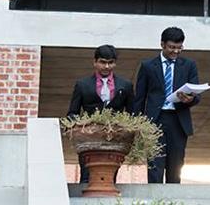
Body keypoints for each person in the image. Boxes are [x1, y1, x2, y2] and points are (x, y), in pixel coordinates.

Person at [133, 27, 200, 183]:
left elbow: (196, 95)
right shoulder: (148, 66)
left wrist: (190, 99)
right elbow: (140, 98)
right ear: (162, 44)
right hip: (155, 121)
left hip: (178, 120)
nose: (175, 51)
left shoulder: (189, 65)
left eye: (179, 48)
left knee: (176, 167)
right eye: (172, 47)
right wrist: (137, 125)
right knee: (155, 165)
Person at [67, 44, 134, 183]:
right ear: (95, 62)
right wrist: (80, 129)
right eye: (103, 62)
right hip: (89, 140)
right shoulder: (82, 84)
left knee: (111, 176)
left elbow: (132, 114)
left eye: (111, 63)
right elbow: (72, 113)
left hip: (115, 140)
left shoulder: (125, 85)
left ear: (115, 63)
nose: (107, 66)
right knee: (86, 176)